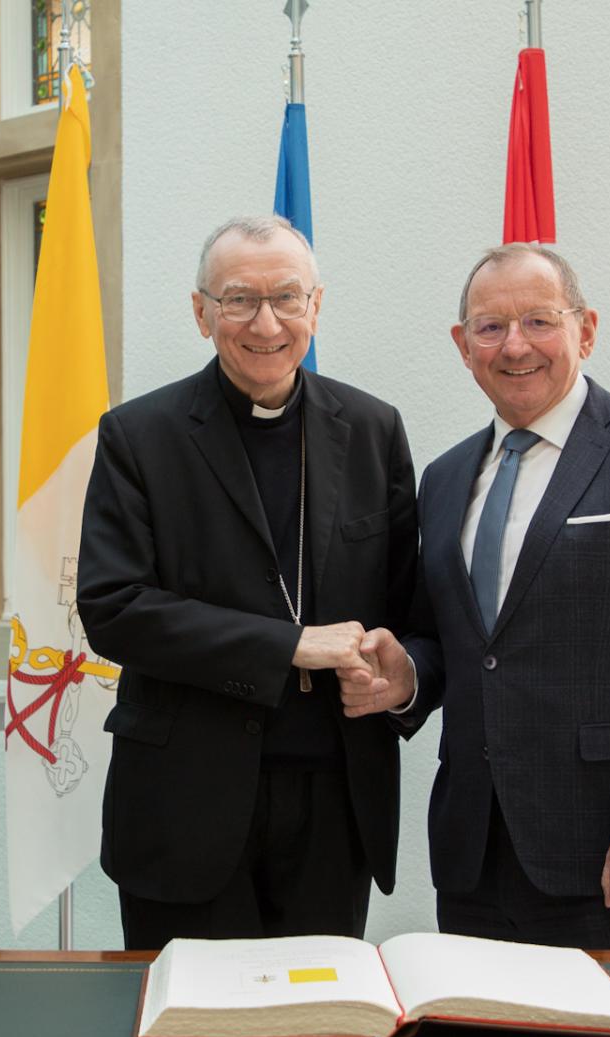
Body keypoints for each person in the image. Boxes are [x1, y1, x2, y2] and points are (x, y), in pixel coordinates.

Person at [339, 243, 610, 948]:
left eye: (539, 320)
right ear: (463, 347)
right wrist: (407, 676)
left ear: (585, 331)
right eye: (490, 327)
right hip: (475, 862)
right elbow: (453, 643)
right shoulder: (444, 478)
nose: (514, 345)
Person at [76, 215, 418, 950]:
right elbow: (114, 608)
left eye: (287, 298)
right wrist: (287, 645)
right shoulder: (139, 436)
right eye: (239, 300)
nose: (266, 323)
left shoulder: (373, 429)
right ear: (201, 313)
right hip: (184, 802)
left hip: (336, 804)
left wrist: (403, 675)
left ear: (316, 307)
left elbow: (411, 607)